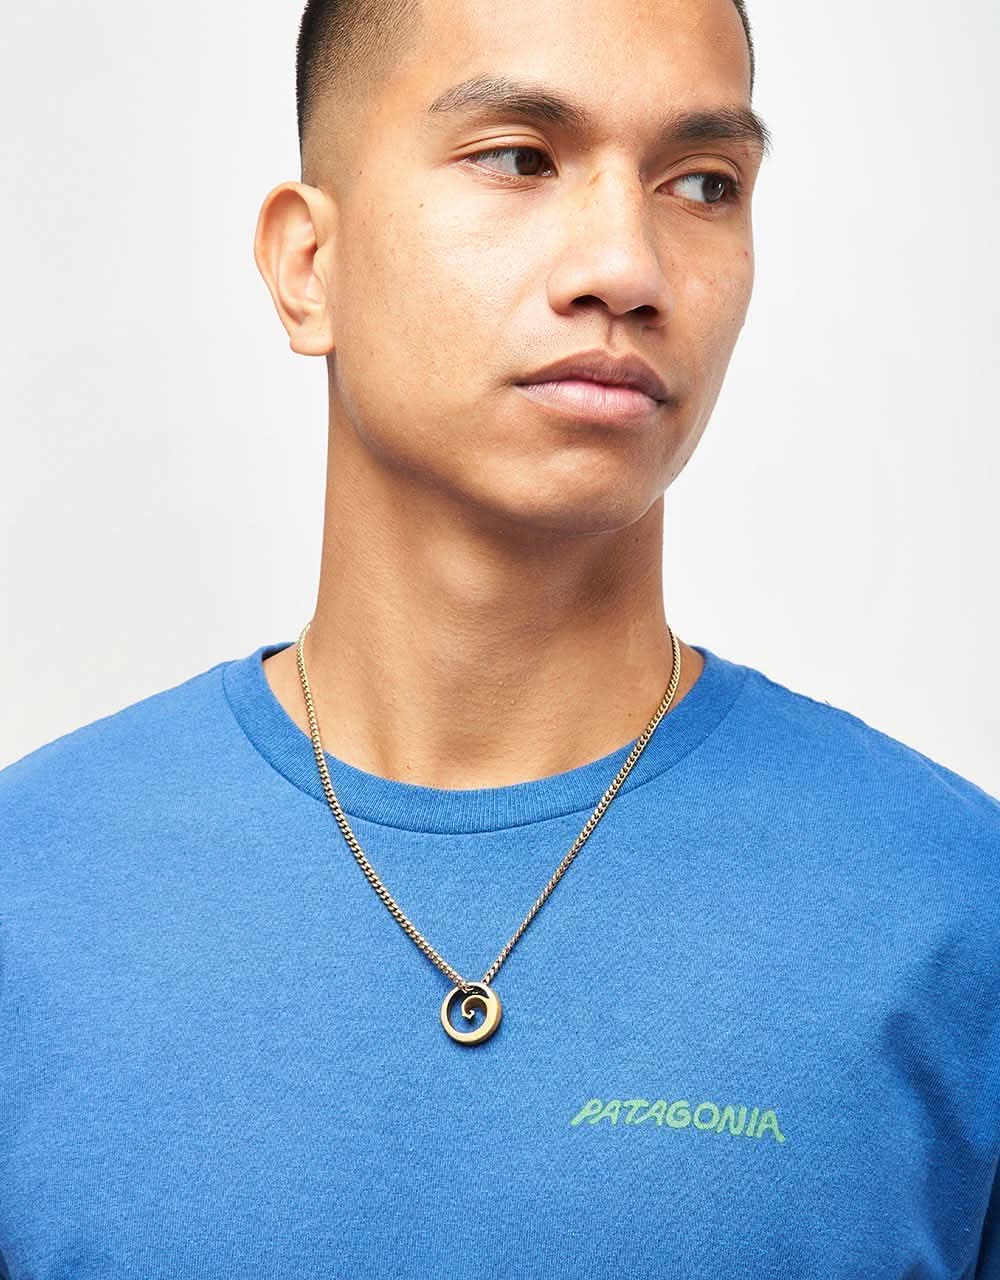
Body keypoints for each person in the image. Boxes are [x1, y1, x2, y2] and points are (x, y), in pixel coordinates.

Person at [1, 0, 997, 1274]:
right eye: (520, 157)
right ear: (309, 265)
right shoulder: (28, 898)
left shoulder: (955, 912)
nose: (625, 268)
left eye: (702, 183)